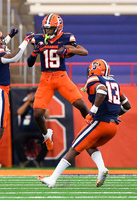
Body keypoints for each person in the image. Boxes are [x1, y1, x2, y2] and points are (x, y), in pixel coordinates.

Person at [37, 59, 131, 188]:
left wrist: (92, 112)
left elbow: (102, 91)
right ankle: (102, 168)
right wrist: (115, 115)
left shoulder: (95, 80)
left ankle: (52, 179)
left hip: (100, 123)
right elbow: (127, 105)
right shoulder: (114, 82)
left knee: (74, 148)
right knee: (89, 145)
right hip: (113, 127)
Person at [0, 27, 35, 182]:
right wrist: (25, 41)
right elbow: (12, 57)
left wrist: (10, 36)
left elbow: (0, 47)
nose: (2, 40)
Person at [27, 13, 90, 151]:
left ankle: (94, 127)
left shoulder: (66, 38)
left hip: (61, 77)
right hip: (45, 79)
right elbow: (29, 62)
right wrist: (32, 48)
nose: (47, 31)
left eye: (50, 28)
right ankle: (46, 135)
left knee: (80, 104)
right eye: (46, 28)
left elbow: (84, 51)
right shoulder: (38, 39)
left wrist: (69, 49)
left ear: (58, 28)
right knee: (37, 113)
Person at [13, 88, 49, 168]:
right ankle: (23, 160)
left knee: (48, 141)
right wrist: (28, 102)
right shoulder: (24, 103)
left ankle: (39, 160)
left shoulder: (40, 103)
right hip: (25, 130)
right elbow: (19, 112)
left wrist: (38, 104)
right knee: (16, 140)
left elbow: (47, 115)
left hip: (38, 130)